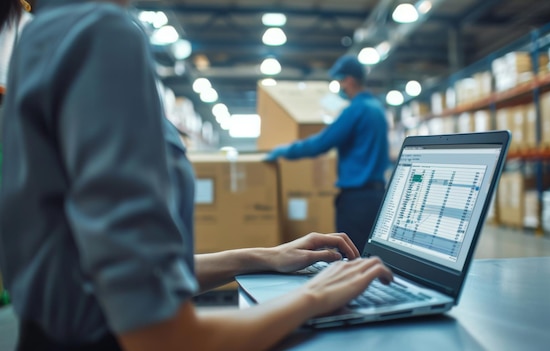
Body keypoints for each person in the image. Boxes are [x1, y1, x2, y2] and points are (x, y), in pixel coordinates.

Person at [0, 0, 393, 350]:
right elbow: (162, 338)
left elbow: (107, 279)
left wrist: (263, 257)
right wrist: (314, 297)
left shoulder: (43, 38)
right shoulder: (99, 34)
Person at [266, 54, 390, 252]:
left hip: (356, 201)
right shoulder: (377, 109)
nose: (338, 86)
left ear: (348, 80)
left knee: (352, 258)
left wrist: (284, 151)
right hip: (378, 197)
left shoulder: (356, 110)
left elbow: (321, 144)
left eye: (339, 81)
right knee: (372, 257)